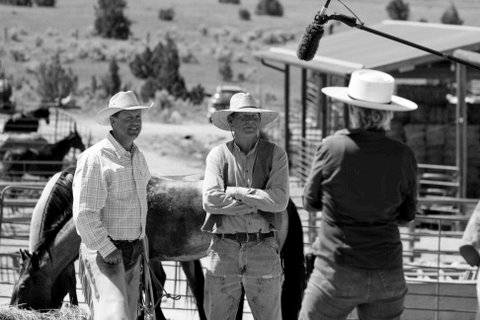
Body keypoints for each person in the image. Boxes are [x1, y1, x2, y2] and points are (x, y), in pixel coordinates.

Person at [299, 69, 419, 320]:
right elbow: (407, 215)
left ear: (353, 110)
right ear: (387, 114)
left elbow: (310, 202)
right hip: (388, 270)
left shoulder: (332, 147)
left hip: (337, 268)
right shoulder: (403, 154)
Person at [201, 92, 290, 320]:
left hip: (262, 247)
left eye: (254, 116)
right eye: (243, 116)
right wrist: (259, 201)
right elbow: (210, 200)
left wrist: (235, 192)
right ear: (231, 121)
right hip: (224, 249)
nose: (250, 121)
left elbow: (280, 201)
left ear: (260, 121)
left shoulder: (276, 155)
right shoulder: (217, 155)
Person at [72, 91, 152, 320]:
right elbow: (84, 215)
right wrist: (108, 250)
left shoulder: (138, 156)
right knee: (116, 317)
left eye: (138, 117)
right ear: (113, 121)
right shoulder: (95, 158)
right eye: (128, 118)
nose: (135, 123)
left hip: (133, 252)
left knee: (128, 314)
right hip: (106, 253)